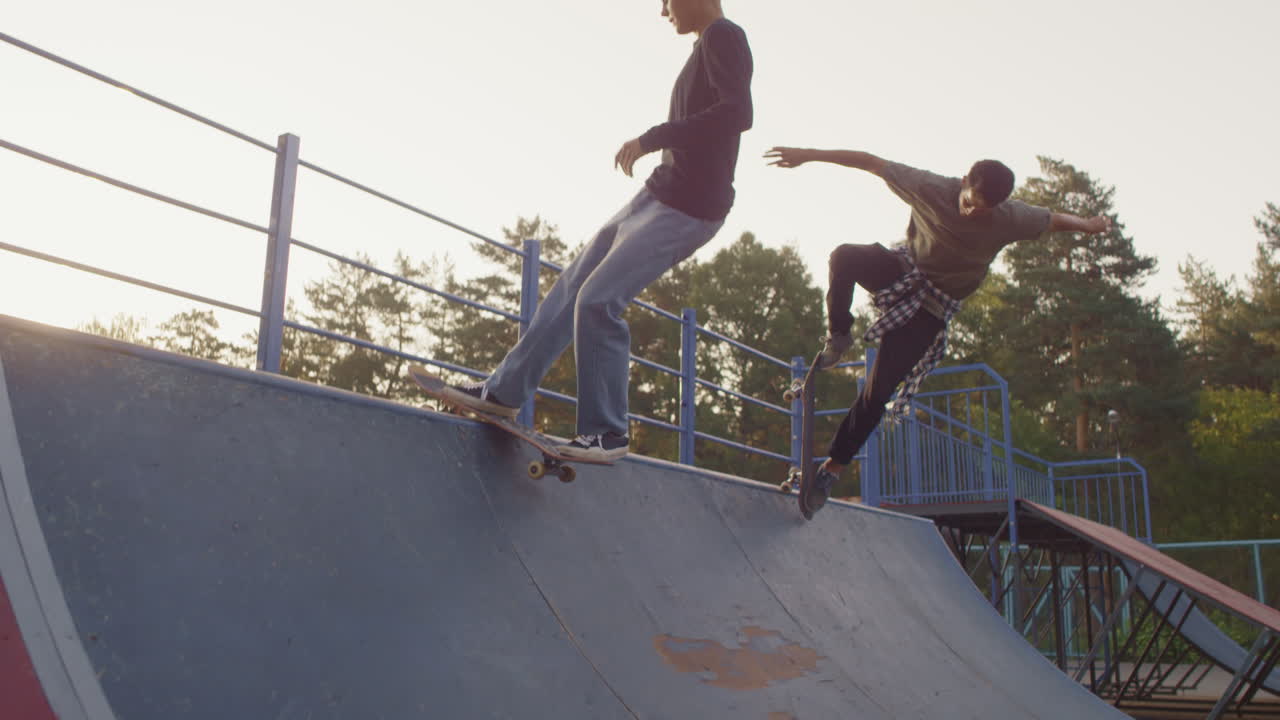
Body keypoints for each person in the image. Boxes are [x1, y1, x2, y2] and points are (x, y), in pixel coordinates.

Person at [441, 0, 753, 462]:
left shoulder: (725, 36)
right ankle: (502, 393)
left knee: (598, 300)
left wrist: (652, 137)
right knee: (570, 289)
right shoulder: (702, 46)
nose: (663, 11)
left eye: (667, 1)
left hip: (689, 209)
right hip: (659, 194)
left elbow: (737, 114)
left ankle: (607, 432)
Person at [764, 146, 1111, 516]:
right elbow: (871, 162)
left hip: (932, 309)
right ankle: (839, 334)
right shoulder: (930, 187)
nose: (973, 211)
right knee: (844, 256)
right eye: (970, 202)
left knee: (878, 392)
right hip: (904, 270)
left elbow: (1053, 219)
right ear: (963, 182)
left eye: (983, 209)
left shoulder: (1011, 218)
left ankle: (831, 470)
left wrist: (1089, 225)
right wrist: (807, 155)